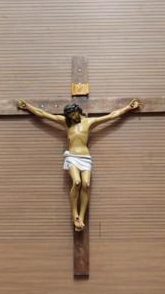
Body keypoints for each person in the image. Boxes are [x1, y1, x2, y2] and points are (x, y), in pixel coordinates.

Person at [15, 97, 141, 231]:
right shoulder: (66, 122)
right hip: (72, 157)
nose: (71, 117)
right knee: (76, 182)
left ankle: (81, 217)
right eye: (69, 115)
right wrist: (27, 106)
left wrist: (128, 108)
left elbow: (111, 116)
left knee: (86, 184)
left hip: (85, 158)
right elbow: (44, 114)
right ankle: (74, 214)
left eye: (73, 114)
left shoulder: (89, 122)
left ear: (78, 111)